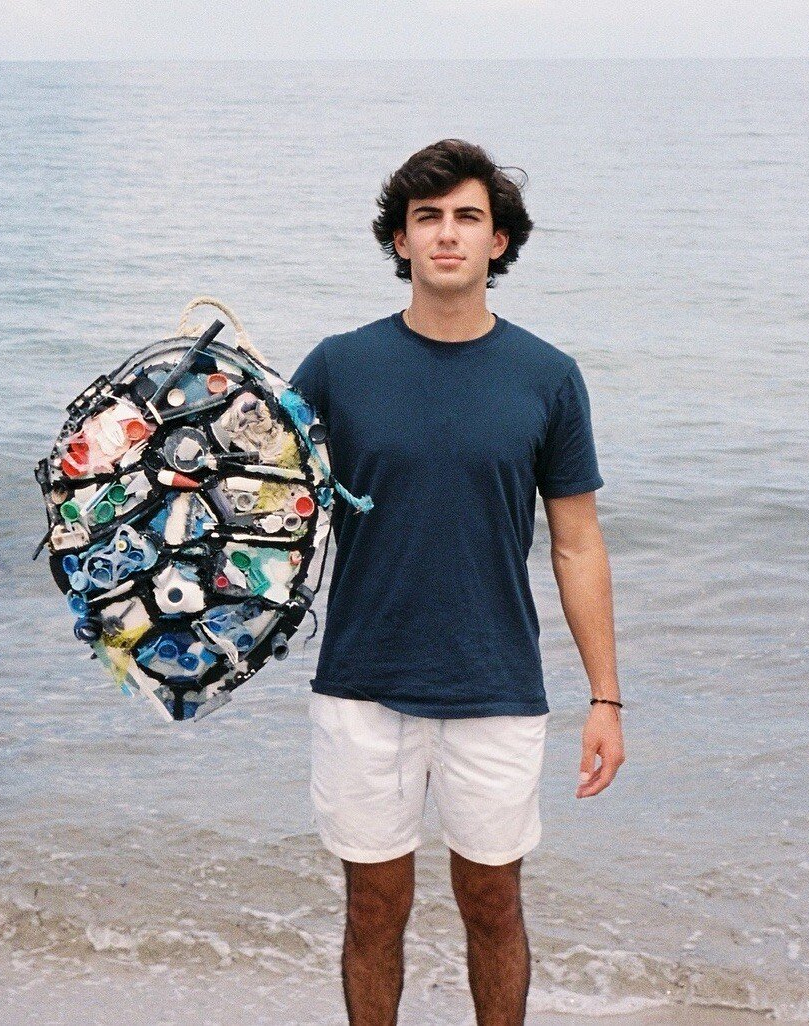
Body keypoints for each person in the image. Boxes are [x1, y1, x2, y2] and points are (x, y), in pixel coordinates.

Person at [289, 138, 624, 1026]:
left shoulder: (547, 377)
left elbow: (578, 545)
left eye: (467, 218)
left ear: (499, 242)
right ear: (399, 241)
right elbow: (266, 508)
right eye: (426, 218)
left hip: (496, 684)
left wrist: (606, 698)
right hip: (363, 682)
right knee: (372, 909)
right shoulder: (337, 366)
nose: (447, 235)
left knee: (493, 905)